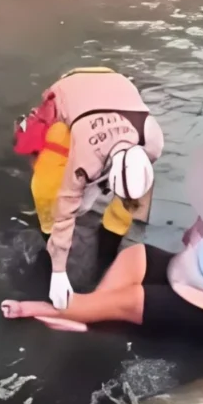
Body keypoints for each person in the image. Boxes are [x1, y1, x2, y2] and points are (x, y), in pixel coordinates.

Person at [1, 223, 203, 379]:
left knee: (133, 299)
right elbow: (191, 244)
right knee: (137, 255)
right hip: (193, 282)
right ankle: (93, 316)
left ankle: (64, 311)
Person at [23, 67, 164, 310]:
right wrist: (58, 272)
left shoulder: (152, 141)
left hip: (116, 84)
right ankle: (48, 239)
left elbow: (137, 176)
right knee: (47, 188)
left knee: (130, 201)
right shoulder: (87, 158)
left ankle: (109, 244)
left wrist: (102, 189)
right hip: (72, 87)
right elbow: (66, 210)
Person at [13, 101, 136, 271]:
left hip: (56, 182)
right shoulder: (124, 121)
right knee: (121, 211)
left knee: (52, 224)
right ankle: (106, 260)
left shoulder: (41, 125)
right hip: (114, 170)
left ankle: (56, 264)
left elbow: (37, 165)